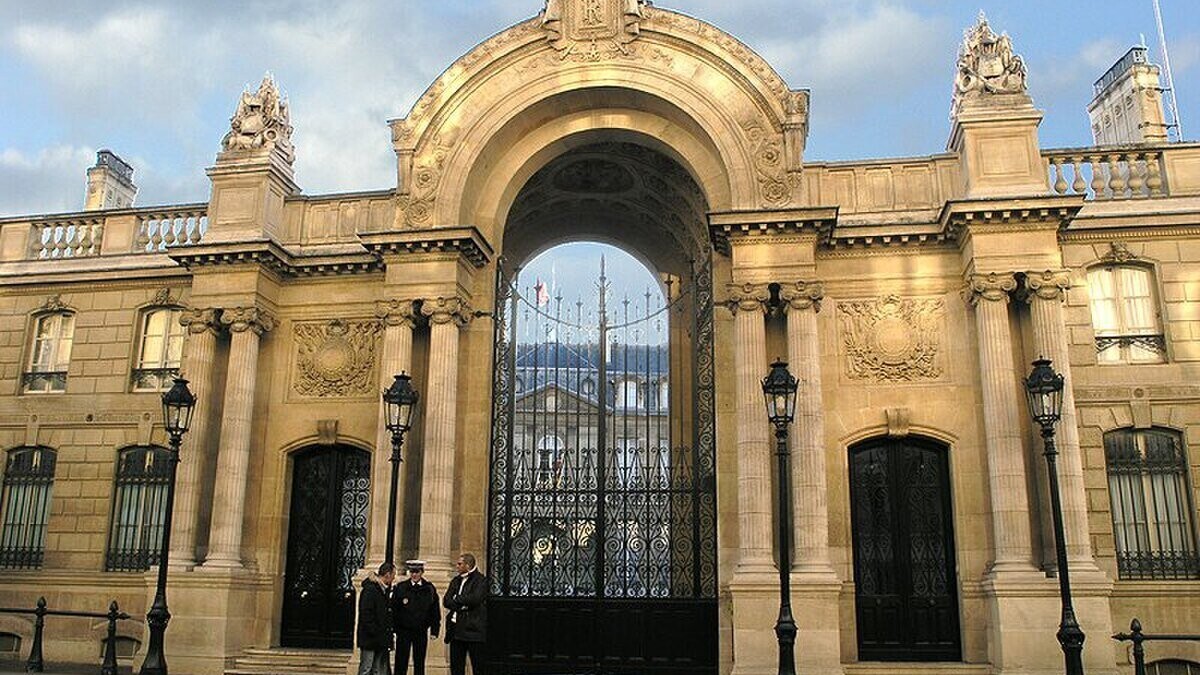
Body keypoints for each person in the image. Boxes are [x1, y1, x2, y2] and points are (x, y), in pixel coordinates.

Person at [392, 560, 440, 675]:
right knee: (401, 661)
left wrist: (434, 629)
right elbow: (395, 609)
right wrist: (395, 628)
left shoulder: (429, 589)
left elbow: (434, 611)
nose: (414, 574)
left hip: (420, 630)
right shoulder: (401, 587)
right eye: (412, 572)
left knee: (419, 661)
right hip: (404, 631)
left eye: (417, 572)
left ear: (422, 572)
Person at [443, 553, 487, 675]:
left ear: (467, 565)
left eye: (459, 564)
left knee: (477, 666)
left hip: (473, 630)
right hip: (455, 630)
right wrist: (461, 603)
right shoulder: (456, 580)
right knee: (456, 667)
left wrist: (457, 598)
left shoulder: (480, 580)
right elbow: (447, 600)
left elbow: (475, 599)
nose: (457, 566)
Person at [357, 562, 396, 675]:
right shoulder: (371, 590)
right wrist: (375, 631)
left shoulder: (383, 590)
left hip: (379, 638)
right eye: (393, 575)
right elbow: (366, 614)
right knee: (367, 667)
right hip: (371, 638)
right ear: (387, 574)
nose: (394, 578)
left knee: (377, 669)